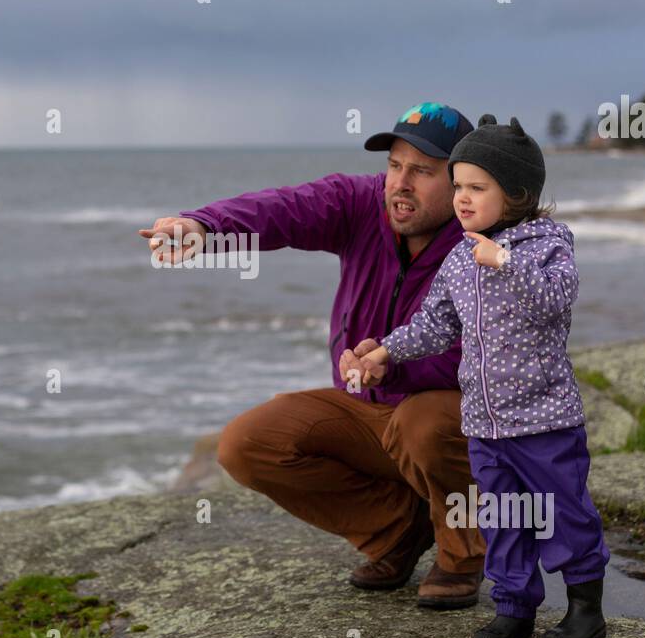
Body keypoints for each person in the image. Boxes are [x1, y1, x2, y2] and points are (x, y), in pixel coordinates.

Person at [138, 102, 487, 608]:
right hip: (369, 413)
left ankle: (461, 555)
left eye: (422, 171)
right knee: (247, 443)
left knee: (423, 424)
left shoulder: (485, 243)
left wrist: (393, 358)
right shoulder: (361, 204)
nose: (400, 183)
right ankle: (397, 530)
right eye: (394, 165)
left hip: (449, 424)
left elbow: (490, 357)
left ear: (461, 184)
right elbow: (281, 210)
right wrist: (205, 228)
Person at [342, 115, 610, 638]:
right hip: (484, 425)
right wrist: (386, 352)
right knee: (504, 519)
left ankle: (585, 608)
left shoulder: (547, 243)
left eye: (476, 187)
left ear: (516, 193)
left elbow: (555, 300)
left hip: (544, 423)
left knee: (562, 512)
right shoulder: (461, 256)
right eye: (458, 185)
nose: (462, 197)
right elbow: (435, 324)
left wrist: (505, 262)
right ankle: (514, 608)